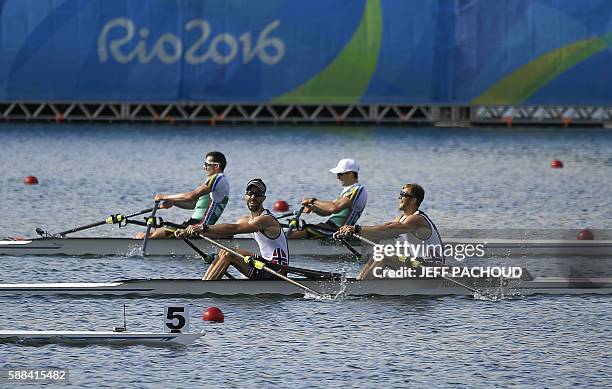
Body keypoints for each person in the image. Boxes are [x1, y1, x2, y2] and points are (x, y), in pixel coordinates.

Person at [176, 179, 289, 280]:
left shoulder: (266, 220)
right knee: (224, 251)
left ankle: (204, 288)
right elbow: (225, 233)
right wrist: (189, 233)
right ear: (245, 195)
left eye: (257, 194)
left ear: (263, 198)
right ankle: (206, 282)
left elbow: (233, 228)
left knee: (229, 254)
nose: (253, 197)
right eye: (250, 193)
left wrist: (202, 227)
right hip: (266, 264)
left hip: (276, 271)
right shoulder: (246, 220)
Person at [336, 183, 444, 280]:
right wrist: (350, 235)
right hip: (417, 265)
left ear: (413, 200)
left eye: (403, 194)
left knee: (384, 255)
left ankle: (360, 287)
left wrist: (357, 228)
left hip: (431, 270)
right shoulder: (401, 219)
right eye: (400, 194)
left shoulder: (417, 219)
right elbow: (381, 233)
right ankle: (360, 281)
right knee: (379, 252)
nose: (399, 197)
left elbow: (389, 229)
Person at [136, 151, 230, 239]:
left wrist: (164, 196)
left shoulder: (217, 179)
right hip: (193, 224)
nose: (204, 168)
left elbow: (191, 196)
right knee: (145, 235)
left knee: (147, 236)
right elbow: (193, 204)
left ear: (217, 166)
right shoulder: (216, 182)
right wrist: (173, 202)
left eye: (207, 164)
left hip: (199, 227)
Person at [288, 158, 367, 239]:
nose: (337, 177)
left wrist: (312, 201)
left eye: (340, 174)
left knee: (291, 235)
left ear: (350, 173)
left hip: (336, 230)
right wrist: (313, 208)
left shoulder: (357, 189)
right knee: (294, 230)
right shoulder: (348, 191)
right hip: (329, 227)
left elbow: (333, 208)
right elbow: (327, 212)